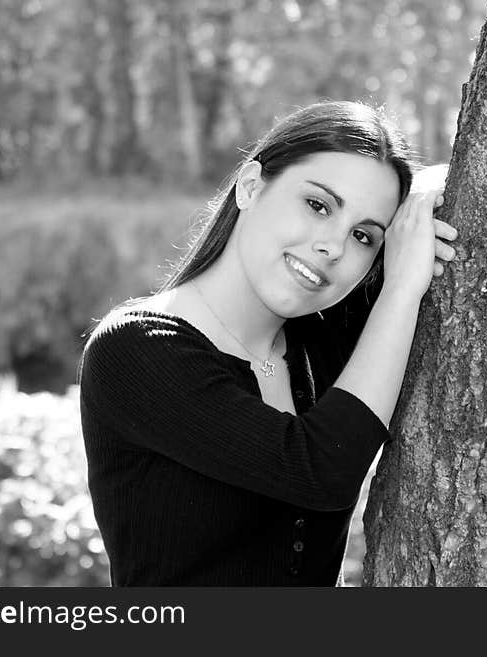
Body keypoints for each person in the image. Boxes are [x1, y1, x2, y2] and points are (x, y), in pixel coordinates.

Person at [78, 100, 458, 586]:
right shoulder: (135, 350)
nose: (334, 247)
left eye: (364, 235)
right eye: (318, 205)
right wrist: (403, 288)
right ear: (251, 186)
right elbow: (320, 469)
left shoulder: (325, 340)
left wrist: (420, 194)